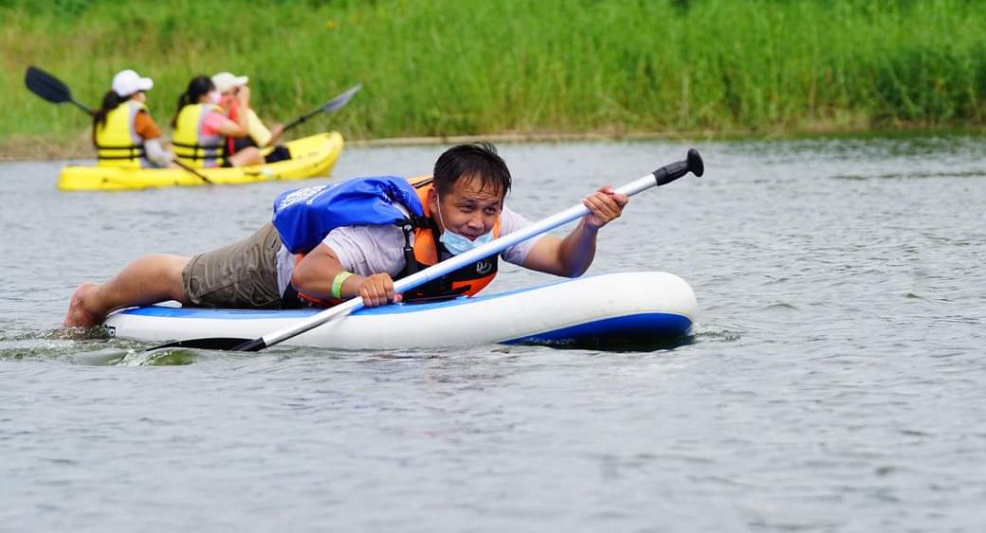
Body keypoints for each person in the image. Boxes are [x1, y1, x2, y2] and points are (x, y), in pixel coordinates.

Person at [63, 143, 629, 329]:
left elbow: (565, 263)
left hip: (340, 275)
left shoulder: (494, 224)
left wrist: (589, 226)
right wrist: (357, 283)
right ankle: (93, 298)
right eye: (467, 209)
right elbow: (312, 274)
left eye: (490, 210)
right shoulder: (385, 232)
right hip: (284, 262)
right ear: (437, 197)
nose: (480, 223)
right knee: (185, 280)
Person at [170, 75, 266, 168]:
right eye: (212, 91)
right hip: (207, 167)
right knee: (252, 152)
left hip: (185, 165)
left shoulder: (184, 111)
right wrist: (243, 102)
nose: (216, 94)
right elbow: (242, 131)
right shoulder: (209, 114)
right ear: (202, 97)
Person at [93, 69, 174, 168]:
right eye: (142, 91)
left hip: (105, 168)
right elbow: (155, 155)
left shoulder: (103, 114)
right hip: (133, 170)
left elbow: (96, 144)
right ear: (134, 94)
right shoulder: (138, 113)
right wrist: (170, 156)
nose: (144, 95)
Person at [210, 71, 290, 163]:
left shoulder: (210, 112)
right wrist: (277, 131)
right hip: (242, 161)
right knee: (282, 152)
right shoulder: (244, 113)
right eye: (238, 89)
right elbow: (267, 141)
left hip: (219, 160)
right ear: (235, 92)